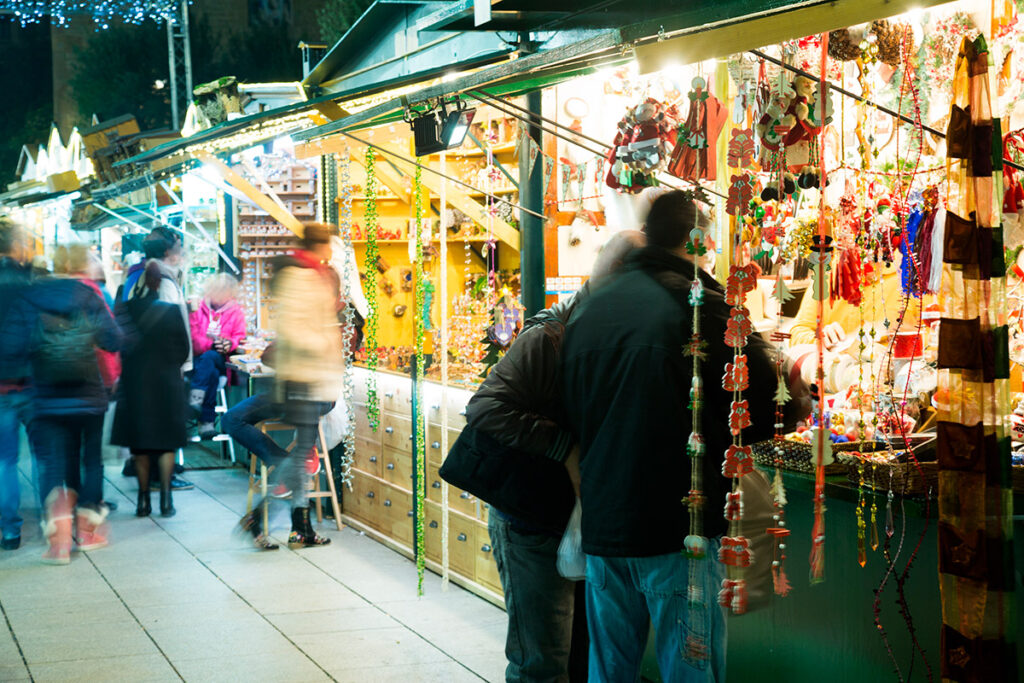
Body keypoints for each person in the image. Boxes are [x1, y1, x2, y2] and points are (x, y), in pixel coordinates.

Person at [561, 191, 806, 681]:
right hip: (677, 529)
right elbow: (765, 395)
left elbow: (571, 409)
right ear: (701, 240)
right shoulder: (698, 303)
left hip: (606, 526)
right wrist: (799, 396)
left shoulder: (591, 307)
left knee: (608, 671)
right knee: (689, 671)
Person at [455, 231, 645, 683]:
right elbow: (484, 407)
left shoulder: (609, 336)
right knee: (542, 662)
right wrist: (563, 447)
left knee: (579, 656)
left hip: (579, 520)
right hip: (531, 516)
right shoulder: (550, 336)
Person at [2, 244, 122, 563]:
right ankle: (86, 532)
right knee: (91, 461)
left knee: (54, 464)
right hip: (88, 394)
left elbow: (12, 349)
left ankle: (59, 544)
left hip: (46, 396)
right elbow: (114, 340)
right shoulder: (89, 295)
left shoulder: (30, 297)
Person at [238, 223, 341, 550]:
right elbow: (296, 330)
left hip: (312, 378)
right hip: (304, 378)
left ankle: (301, 527)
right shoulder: (302, 277)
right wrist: (325, 343)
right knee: (299, 458)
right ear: (320, 246)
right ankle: (262, 517)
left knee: (301, 454)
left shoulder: (311, 274)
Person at [116, 228, 194, 493]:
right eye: (179, 247)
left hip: (139, 366)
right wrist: (181, 364)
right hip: (163, 367)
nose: (182, 252)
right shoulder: (164, 281)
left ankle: (147, 485)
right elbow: (174, 328)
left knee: (145, 424)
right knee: (165, 426)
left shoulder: (136, 277)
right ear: (168, 252)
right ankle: (164, 481)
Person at [0, 218, 33, 550]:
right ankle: (55, 524)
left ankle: (10, 530)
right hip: (33, 381)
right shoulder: (28, 284)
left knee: (5, 460)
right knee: (43, 455)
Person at [188, 273, 246, 439]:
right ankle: (207, 422)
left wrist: (229, 344)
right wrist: (211, 345)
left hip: (221, 358)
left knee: (211, 358)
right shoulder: (198, 308)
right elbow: (194, 339)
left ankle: (196, 400)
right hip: (201, 359)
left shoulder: (236, 312)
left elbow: (238, 336)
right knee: (210, 370)